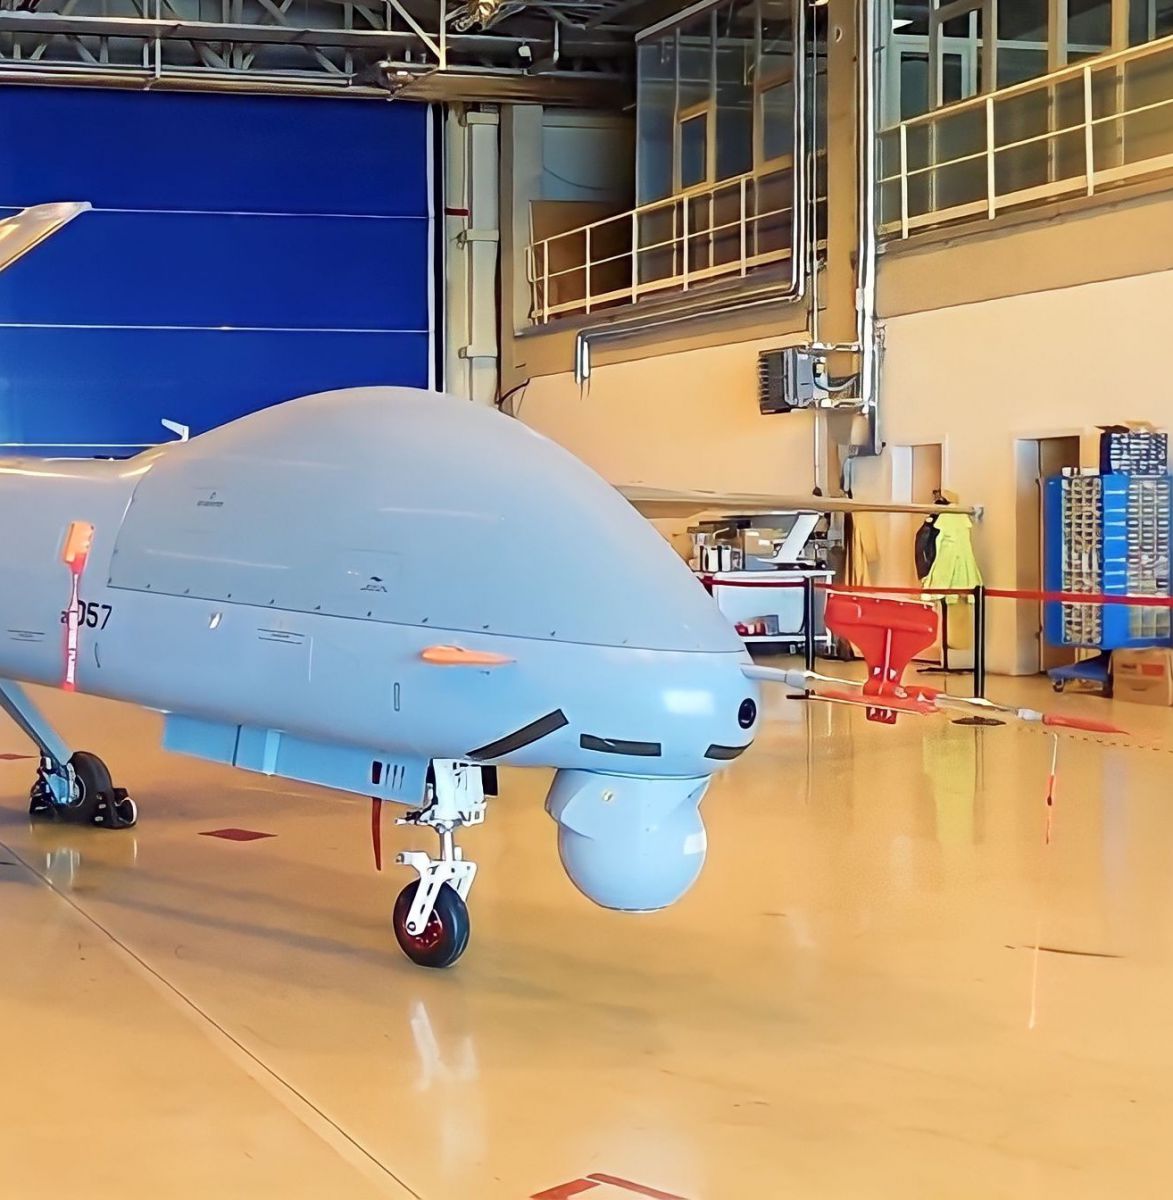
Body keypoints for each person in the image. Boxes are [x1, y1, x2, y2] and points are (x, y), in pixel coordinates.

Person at [920, 489, 981, 650]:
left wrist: (928, 575)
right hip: (963, 573)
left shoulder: (942, 520)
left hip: (946, 572)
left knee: (950, 615)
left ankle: (951, 644)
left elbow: (928, 547)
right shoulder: (962, 520)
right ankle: (954, 644)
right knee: (957, 614)